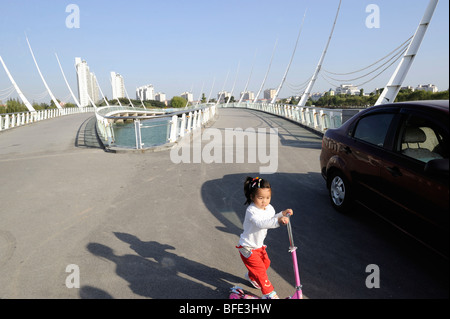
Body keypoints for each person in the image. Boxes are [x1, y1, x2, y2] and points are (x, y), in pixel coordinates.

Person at [236, 176, 293, 299]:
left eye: (268, 198)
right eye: (260, 198)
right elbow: (262, 223)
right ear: (252, 197)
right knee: (261, 272)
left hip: (258, 246)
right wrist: (279, 222)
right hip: (248, 248)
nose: (264, 201)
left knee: (266, 263)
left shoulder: (269, 208)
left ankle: (251, 277)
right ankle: (269, 294)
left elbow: (271, 218)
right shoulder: (251, 211)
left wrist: (281, 214)